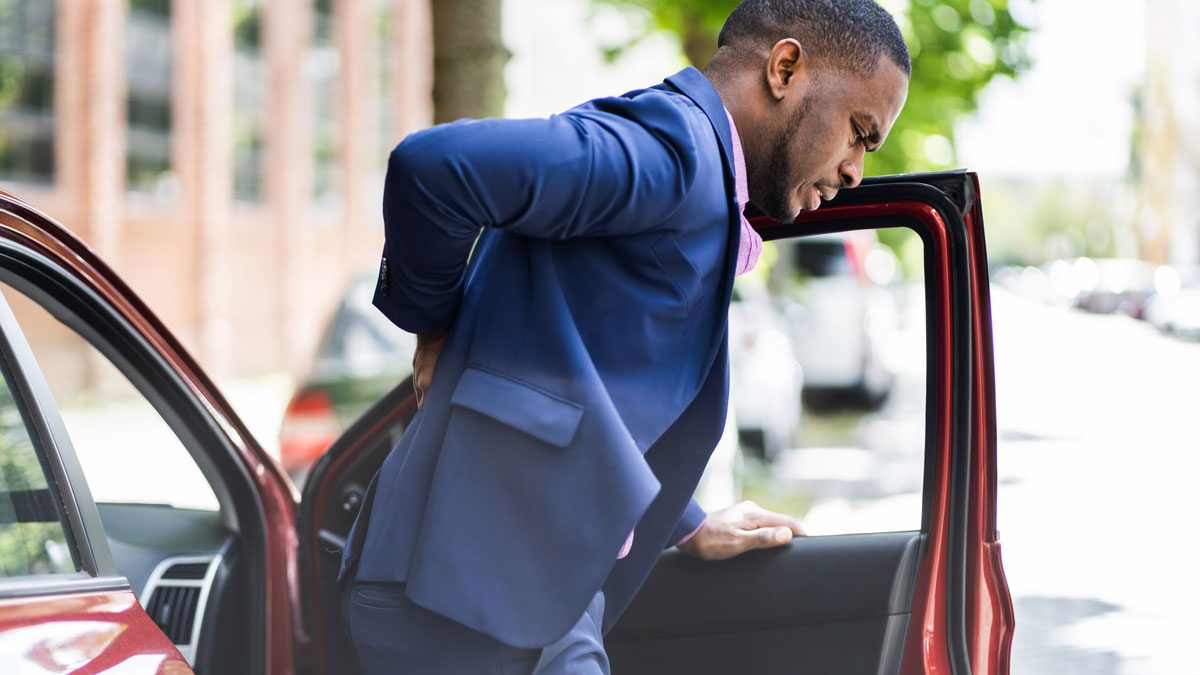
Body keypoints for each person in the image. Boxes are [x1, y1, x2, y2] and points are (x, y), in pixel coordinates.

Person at [339, 0, 910, 672]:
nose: (854, 171)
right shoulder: (669, 151)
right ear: (785, 67)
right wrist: (433, 324)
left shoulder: (702, 178)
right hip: (455, 597)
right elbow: (433, 168)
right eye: (859, 132)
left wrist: (686, 520)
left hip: (543, 589)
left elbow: (585, 386)